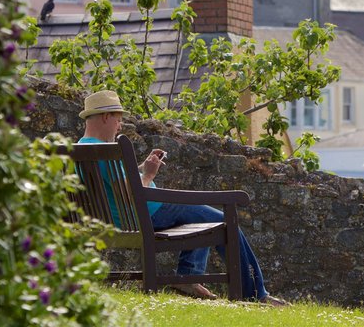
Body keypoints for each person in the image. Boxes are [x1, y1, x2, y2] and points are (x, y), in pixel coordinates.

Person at [77, 90, 285, 305]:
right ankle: (256, 294)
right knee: (224, 221)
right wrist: (149, 175)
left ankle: (188, 275)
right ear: (105, 117)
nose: (119, 126)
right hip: (148, 215)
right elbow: (131, 195)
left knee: (203, 215)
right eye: (118, 120)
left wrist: (142, 167)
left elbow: (116, 183)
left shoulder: (83, 148)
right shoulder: (103, 150)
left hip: (125, 218)